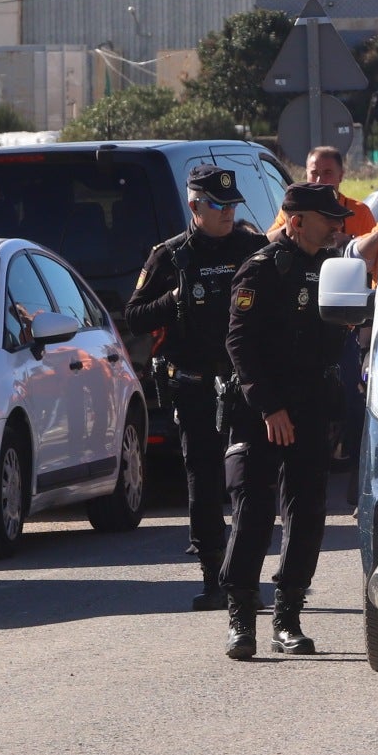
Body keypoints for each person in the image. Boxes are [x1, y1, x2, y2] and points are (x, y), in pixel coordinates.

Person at [220, 182, 361, 660]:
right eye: (326, 218)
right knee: (255, 513)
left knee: (306, 515)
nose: (336, 226)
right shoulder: (260, 270)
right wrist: (269, 406)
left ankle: (288, 618)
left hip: (313, 405)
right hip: (265, 411)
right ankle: (242, 617)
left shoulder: (332, 266)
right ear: (296, 220)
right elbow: (239, 344)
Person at [123, 163, 268, 610]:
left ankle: (244, 576)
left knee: (249, 483)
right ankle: (212, 575)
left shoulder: (252, 247)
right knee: (203, 482)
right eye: (217, 205)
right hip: (195, 385)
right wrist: (173, 300)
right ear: (194, 205)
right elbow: (135, 315)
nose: (227, 213)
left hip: (244, 386)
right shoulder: (170, 256)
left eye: (231, 205)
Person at [270, 146, 377, 240]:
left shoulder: (360, 212)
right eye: (314, 173)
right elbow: (267, 241)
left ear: (340, 176)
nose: (319, 181)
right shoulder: (293, 209)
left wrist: (349, 241)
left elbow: (376, 255)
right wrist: (295, 225)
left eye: (327, 173)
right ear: (306, 174)